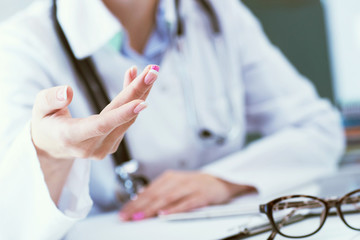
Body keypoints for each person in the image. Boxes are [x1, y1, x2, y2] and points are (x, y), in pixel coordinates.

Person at [0, 0, 345, 239]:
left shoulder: (217, 13)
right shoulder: (23, 45)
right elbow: (12, 218)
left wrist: (222, 181)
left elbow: (319, 129)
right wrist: (48, 153)